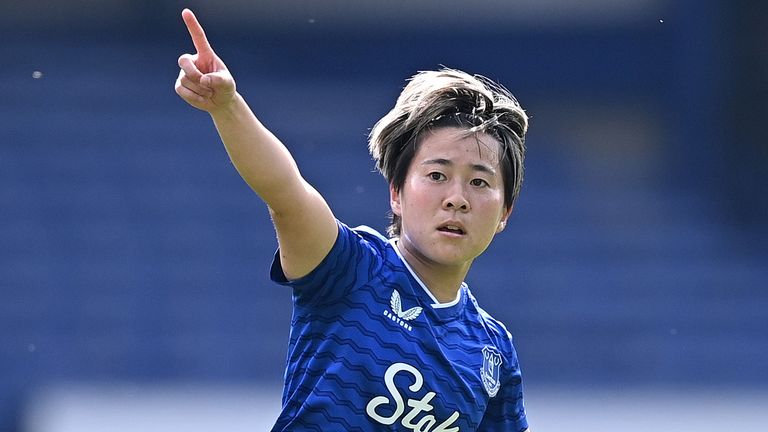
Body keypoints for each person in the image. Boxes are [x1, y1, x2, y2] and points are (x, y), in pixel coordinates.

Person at [175, 8, 530, 432]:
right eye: (437, 176)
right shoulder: (352, 268)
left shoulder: (493, 352)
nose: (456, 199)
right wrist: (228, 108)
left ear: (505, 212)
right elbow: (286, 193)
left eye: (478, 182)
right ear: (396, 193)